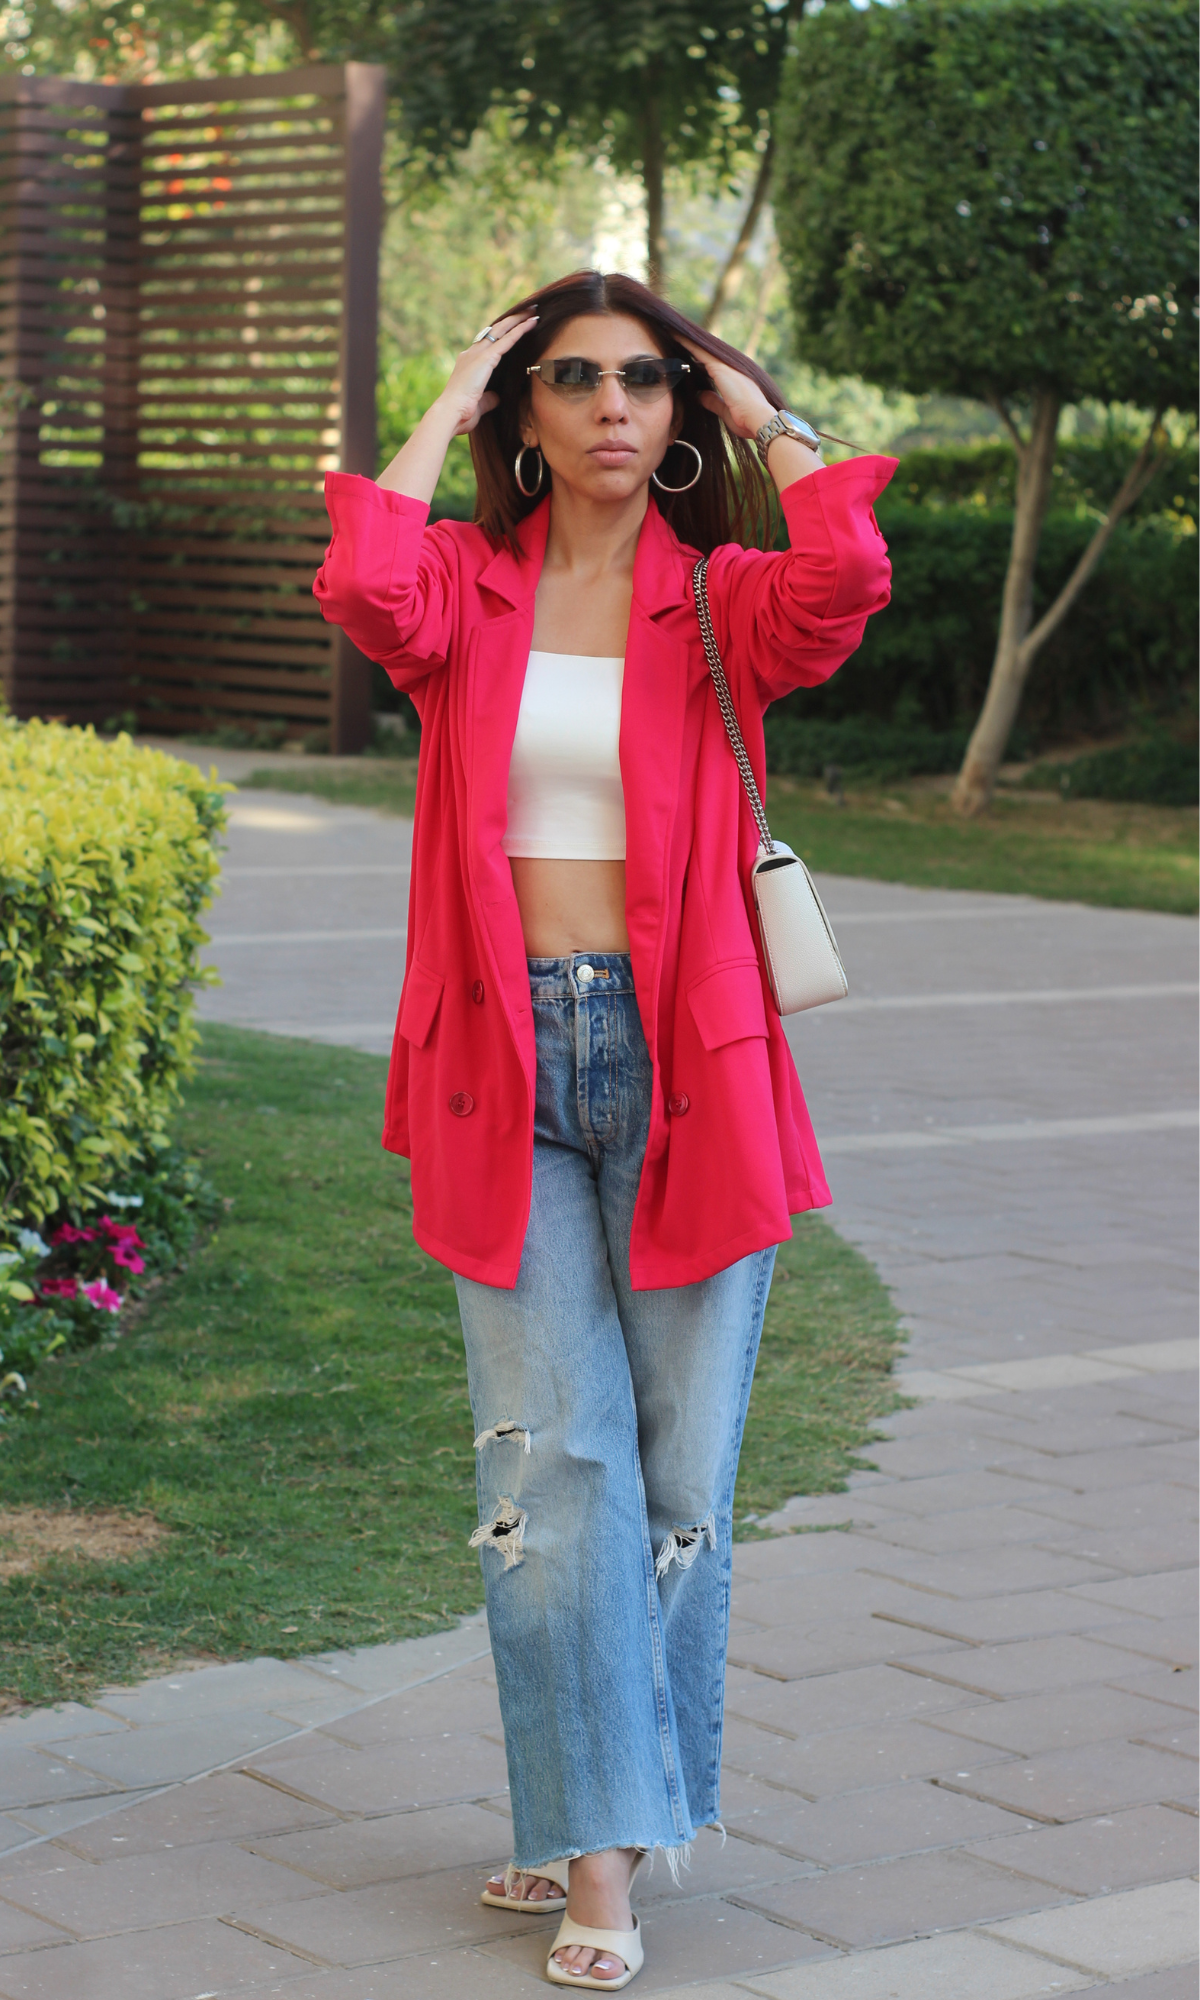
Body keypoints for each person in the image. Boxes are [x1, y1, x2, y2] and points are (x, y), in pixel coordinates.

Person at [314, 270, 894, 1989]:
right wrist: (454, 379)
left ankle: (603, 1811)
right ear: (529, 415)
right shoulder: (468, 597)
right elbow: (363, 571)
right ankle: (602, 1868)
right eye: (574, 380)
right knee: (548, 1477)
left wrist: (756, 401)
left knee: (677, 1489)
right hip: (511, 1068)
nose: (615, 406)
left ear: (684, 411)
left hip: (689, 1068)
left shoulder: (724, 605)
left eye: (647, 381)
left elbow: (851, 571)